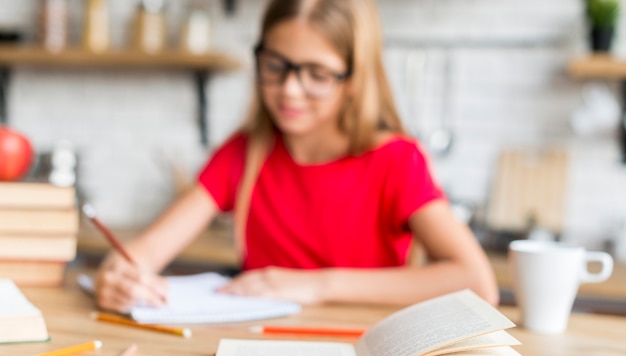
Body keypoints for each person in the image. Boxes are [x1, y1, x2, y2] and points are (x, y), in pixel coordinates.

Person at [94, 0, 498, 313]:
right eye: (276, 65)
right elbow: (141, 254)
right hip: (256, 353)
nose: (289, 89)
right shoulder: (242, 154)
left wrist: (319, 285)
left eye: (316, 74)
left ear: (354, 81)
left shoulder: (396, 161)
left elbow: (478, 284)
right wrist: (120, 276)